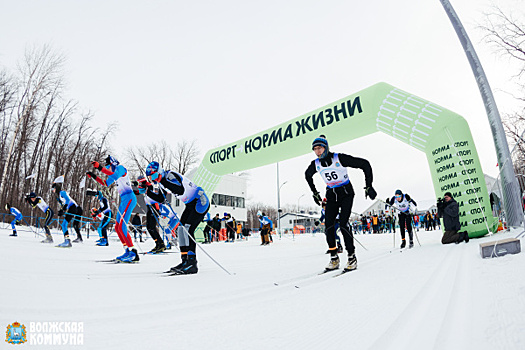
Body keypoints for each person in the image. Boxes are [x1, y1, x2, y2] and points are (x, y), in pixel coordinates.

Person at [305, 135, 376, 272]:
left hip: (346, 193)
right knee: (329, 227)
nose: (317, 151)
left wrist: (369, 186)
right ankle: (334, 258)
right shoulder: (316, 164)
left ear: (325, 148)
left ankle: (351, 257)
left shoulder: (339, 158)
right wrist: (315, 192)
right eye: (315, 149)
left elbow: (365, 164)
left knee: (343, 224)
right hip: (331, 194)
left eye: (319, 148)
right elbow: (307, 175)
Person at [145, 161, 210, 275]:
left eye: (152, 175)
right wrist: (146, 192)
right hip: (190, 204)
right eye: (150, 177)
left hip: (200, 201)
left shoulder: (169, 175)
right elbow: (161, 199)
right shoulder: (161, 182)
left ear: (158, 171)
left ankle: (192, 262)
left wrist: (162, 181)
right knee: (181, 229)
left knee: (188, 229)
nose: (152, 178)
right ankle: (184, 260)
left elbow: (180, 190)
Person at [87, 155, 139, 263]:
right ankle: (127, 250)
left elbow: (114, 176)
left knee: (123, 226)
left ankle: (133, 252)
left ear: (113, 164)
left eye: (109, 166)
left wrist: (100, 168)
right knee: (117, 227)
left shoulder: (120, 168)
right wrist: (93, 176)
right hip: (123, 200)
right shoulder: (113, 172)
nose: (108, 168)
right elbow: (105, 183)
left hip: (129, 198)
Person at [133, 175, 167, 254]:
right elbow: (139, 192)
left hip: (154, 207)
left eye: (140, 182)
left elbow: (148, 187)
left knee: (151, 227)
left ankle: (160, 244)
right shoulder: (144, 186)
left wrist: (139, 185)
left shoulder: (149, 185)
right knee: (149, 228)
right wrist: (133, 189)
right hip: (149, 208)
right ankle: (158, 243)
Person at [52, 176, 83, 247]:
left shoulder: (62, 192)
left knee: (64, 224)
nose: (52, 190)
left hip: (73, 208)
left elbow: (68, 200)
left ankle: (67, 241)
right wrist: (61, 210)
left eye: (53, 188)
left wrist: (64, 209)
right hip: (71, 208)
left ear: (56, 188)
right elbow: (64, 204)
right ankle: (67, 240)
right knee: (64, 224)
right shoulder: (59, 196)